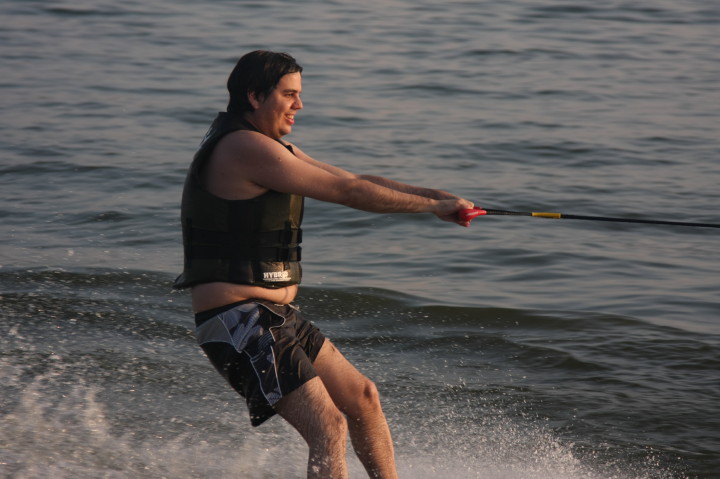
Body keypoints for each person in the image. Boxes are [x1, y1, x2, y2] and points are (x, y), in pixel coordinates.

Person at [173, 50, 474, 479]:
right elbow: (349, 194)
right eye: (290, 94)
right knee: (329, 426)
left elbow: (359, 180)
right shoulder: (243, 147)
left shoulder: (274, 148)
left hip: (273, 316)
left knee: (363, 398)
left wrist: (440, 199)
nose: (299, 105)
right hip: (237, 320)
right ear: (255, 97)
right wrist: (432, 207)